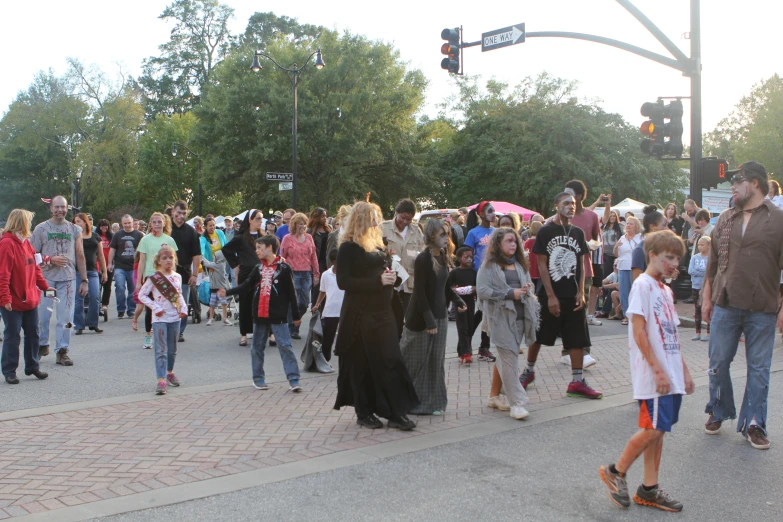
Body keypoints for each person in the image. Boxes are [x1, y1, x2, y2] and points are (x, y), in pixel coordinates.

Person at [599, 230, 694, 512]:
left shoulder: (665, 290)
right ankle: (616, 471)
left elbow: (672, 335)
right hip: (653, 375)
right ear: (652, 255)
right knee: (652, 428)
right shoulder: (642, 285)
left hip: (670, 374)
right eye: (668, 257)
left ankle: (649, 489)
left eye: (677, 258)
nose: (673, 263)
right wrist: (657, 370)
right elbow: (639, 332)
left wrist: (684, 372)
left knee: (659, 430)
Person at [702, 161, 781, 450]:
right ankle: (718, 409)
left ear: (755, 183)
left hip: (763, 306)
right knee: (718, 362)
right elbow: (712, 265)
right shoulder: (725, 218)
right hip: (725, 302)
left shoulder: (778, 219)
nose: (733, 186)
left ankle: (755, 423)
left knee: (759, 369)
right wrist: (707, 297)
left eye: (737, 180)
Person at [333, 201, 419, 431]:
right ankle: (364, 412)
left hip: (383, 312)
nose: (377, 220)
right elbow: (343, 282)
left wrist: (391, 276)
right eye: (372, 216)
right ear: (360, 218)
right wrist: (377, 281)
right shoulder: (349, 248)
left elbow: (380, 272)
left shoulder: (376, 246)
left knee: (391, 360)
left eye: (377, 215)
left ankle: (395, 412)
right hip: (360, 315)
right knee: (361, 365)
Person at [520, 192, 602, 399]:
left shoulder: (577, 232)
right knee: (539, 335)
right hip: (550, 294)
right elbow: (541, 264)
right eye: (566, 203)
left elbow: (582, 265)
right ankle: (528, 371)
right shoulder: (546, 231)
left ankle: (576, 381)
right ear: (556, 205)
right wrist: (551, 296)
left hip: (572, 294)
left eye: (573, 203)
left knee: (577, 338)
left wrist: (581, 292)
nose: (571, 206)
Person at [220, 235, 303, 392]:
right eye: (256, 247)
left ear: (269, 248)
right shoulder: (258, 269)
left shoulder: (284, 268)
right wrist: (229, 291)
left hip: (278, 316)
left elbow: (292, 294)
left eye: (259, 247)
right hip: (260, 315)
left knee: (285, 346)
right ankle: (258, 379)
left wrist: (296, 316)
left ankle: (293, 379)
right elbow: (246, 285)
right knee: (257, 347)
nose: (256, 251)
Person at [399, 220, 466, 416]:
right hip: (421, 320)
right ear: (430, 236)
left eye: (447, 234)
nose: (446, 238)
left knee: (436, 362)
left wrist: (457, 300)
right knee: (415, 361)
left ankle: (432, 403)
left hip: (440, 317)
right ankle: (407, 402)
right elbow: (419, 293)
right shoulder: (423, 259)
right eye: (441, 234)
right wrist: (429, 322)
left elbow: (444, 288)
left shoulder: (444, 257)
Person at [478, 227, 540, 420]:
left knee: (506, 358)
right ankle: (517, 403)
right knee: (509, 360)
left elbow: (527, 284)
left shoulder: (520, 265)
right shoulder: (489, 266)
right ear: (498, 244)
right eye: (508, 241)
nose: (513, 244)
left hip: (521, 318)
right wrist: (508, 294)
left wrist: (526, 288)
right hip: (500, 319)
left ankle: (498, 395)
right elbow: (482, 291)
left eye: (515, 241)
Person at [30, 196, 88, 367]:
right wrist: (50, 259)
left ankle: (62, 351)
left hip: (68, 280)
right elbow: (31, 256)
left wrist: (84, 279)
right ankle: (43, 345)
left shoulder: (74, 229)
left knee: (66, 317)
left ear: (67, 208)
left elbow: (80, 254)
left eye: (63, 207)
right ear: (51, 208)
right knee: (44, 313)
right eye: (57, 207)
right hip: (47, 281)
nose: (60, 210)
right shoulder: (41, 229)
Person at [0, 209, 53, 384]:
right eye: (28, 222)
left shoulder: (26, 243)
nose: (30, 225)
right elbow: (3, 274)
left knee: (33, 334)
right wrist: (5, 298)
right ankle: (9, 370)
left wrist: (45, 287)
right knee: (12, 336)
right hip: (13, 301)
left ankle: (32, 366)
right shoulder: (7, 244)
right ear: (21, 223)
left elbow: (36, 269)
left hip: (30, 299)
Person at [137, 246, 188, 395]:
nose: (168, 261)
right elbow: (142, 295)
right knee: (161, 350)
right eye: (164, 258)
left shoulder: (177, 277)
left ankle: (169, 372)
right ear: (158, 261)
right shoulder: (154, 278)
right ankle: (161, 380)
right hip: (159, 319)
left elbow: (179, 295)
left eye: (171, 258)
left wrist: (183, 308)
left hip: (174, 318)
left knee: (172, 350)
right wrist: (155, 307)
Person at [222, 209, 264, 346]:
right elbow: (226, 250)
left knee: (263, 302)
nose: (260, 221)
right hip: (246, 273)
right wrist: (235, 265)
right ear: (250, 220)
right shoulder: (240, 238)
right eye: (257, 218)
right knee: (245, 303)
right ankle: (244, 334)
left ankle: (267, 333)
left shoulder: (263, 237)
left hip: (262, 273)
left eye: (261, 218)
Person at [136, 212, 178, 350]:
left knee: (167, 307)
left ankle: (164, 335)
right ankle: (148, 334)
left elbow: (173, 260)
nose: (157, 224)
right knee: (151, 308)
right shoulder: (145, 240)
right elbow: (141, 261)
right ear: (150, 224)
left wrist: (174, 278)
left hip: (165, 277)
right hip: (151, 277)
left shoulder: (169, 240)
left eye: (159, 222)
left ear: (164, 223)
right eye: (154, 222)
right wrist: (139, 281)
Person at [380, 199, 425, 320]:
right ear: (396, 213)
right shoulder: (383, 228)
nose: (405, 222)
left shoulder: (416, 231)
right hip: (390, 281)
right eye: (402, 217)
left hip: (409, 282)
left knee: (408, 318)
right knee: (390, 319)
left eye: (409, 219)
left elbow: (423, 252)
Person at [464, 200, 497, 361]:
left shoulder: (497, 232)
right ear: (482, 214)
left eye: (494, 211)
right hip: (479, 275)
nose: (493, 213)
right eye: (489, 211)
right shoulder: (473, 233)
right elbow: (467, 255)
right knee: (483, 310)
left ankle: (483, 346)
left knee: (488, 311)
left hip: (495, 276)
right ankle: (468, 343)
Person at [279, 212, 320, 339]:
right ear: (294, 225)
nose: (302, 227)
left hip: (306, 272)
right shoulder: (287, 238)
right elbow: (282, 256)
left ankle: (293, 322)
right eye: (300, 225)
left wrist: (316, 273)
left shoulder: (309, 238)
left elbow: (313, 256)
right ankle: (293, 328)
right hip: (292, 273)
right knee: (294, 302)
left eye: (304, 224)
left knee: (304, 302)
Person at [170, 201, 202, 341]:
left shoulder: (191, 232)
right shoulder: (166, 228)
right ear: (173, 212)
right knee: (167, 302)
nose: (181, 216)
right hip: (166, 272)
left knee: (182, 302)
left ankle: (179, 331)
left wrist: (195, 274)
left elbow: (196, 255)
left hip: (184, 271)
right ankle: (167, 329)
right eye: (179, 213)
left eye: (184, 213)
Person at [72, 214, 107, 335]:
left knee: (95, 297)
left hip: (92, 271)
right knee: (79, 298)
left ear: (86, 222)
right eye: (75, 222)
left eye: (79, 221)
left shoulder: (96, 236)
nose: (77, 224)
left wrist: (104, 271)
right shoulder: (74, 237)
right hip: (78, 272)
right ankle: (79, 325)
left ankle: (93, 323)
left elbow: (101, 256)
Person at [448, 247, 481, 364]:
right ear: (459, 259)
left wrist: (474, 289)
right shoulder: (455, 273)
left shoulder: (473, 272)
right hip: (459, 303)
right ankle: (467, 353)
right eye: (466, 257)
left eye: (471, 256)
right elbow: (448, 287)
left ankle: (461, 350)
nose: (469, 259)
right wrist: (454, 290)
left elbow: (478, 286)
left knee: (470, 327)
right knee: (462, 327)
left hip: (470, 303)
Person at [311, 249, 344, 361]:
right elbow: (322, 291)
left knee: (344, 338)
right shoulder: (326, 275)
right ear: (334, 261)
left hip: (345, 310)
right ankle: (325, 360)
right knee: (327, 338)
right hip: (330, 311)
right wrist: (317, 304)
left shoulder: (347, 274)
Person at [108, 215, 143, 320]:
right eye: (125, 223)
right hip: (120, 266)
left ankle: (131, 310)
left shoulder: (139, 235)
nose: (127, 225)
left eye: (129, 223)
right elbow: (112, 249)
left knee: (133, 289)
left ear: (133, 222)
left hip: (133, 266)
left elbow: (142, 251)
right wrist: (110, 263)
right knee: (119, 286)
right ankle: (121, 310)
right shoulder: (117, 235)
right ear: (122, 223)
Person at [614, 216, 642, 326]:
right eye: (627, 224)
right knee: (624, 293)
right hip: (622, 267)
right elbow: (616, 254)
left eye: (631, 224)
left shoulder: (640, 238)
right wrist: (616, 247)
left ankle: (636, 315)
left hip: (635, 268)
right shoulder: (622, 238)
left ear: (636, 226)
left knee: (634, 292)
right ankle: (626, 315)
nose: (628, 225)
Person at [631, 206, 668, 282]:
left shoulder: (660, 248)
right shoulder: (640, 250)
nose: (667, 229)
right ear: (652, 227)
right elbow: (637, 281)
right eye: (663, 225)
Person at [307, 208, 332, 306]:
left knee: (328, 285)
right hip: (317, 262)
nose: (325, 218)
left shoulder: (329, 229)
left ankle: (325, 309)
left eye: (326, 216)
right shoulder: (310, 231)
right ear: (316, 217)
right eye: (322, 216)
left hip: (328, 261)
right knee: (317, 287)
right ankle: (315, 306)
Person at [688, 236, 710, 342]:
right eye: (699, 245)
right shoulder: (695, 257)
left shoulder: (710, 258)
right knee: (697, 309)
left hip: (706, 287)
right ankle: (698, 332)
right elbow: (690, 270)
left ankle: (709, 332)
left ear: (709, 246)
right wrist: (702, 272)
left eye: (702, 245)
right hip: (695, 285)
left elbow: (710, 272)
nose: (700, 247)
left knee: (707, 309)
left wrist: (702, 273)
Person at [203, 251, 232, 327]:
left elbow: (207, 264)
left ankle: (225, 318)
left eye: (215, 256)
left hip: (220, 289)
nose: (213, 258)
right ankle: (211, 318)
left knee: (224, 303)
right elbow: (209, 263)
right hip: (214, 289)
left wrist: (201, 257)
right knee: (212, 305)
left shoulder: (220, 265)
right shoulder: (215, 265)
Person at [326, 205, 352, 270]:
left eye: (351, 220)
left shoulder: (355, 235)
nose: (349, 223)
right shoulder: (333, 235)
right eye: (347, 220)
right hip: (337, 272)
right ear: (341, 220)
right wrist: (332, 273)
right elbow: (329, 257)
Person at [601, 210, 623, 287]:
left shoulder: (620, 227)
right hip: (606, 253)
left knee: (615, 273)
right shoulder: (604, 227)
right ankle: (605, 291)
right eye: (611, 216)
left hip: (616, 254)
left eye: (614, 216)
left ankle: (613, 289)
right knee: (606, 272)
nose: (612, 217)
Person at [96, 219, 113, 313]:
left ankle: (105, 304)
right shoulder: (97, 236)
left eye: (106, 226)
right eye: (102, 226)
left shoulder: (111, 236)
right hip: (98, 264)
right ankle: (96, 303)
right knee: (98, 285)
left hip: (109, 263)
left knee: (107, 285)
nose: (104, 227)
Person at [523, 221, 543, 295]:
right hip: (540, 271)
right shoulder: (542, 242)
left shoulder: (527, 242)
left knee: (531, 293)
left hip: (530, 270)